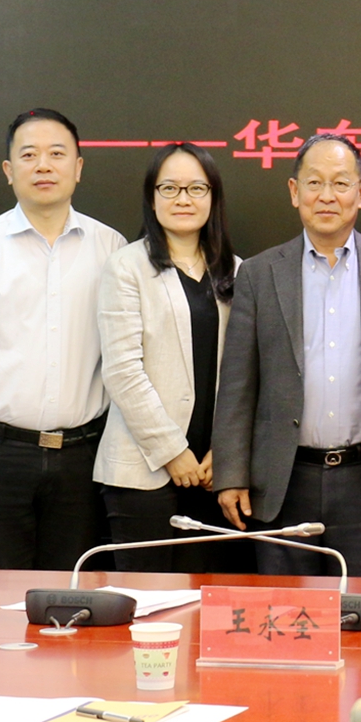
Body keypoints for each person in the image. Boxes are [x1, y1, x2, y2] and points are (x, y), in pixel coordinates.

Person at [0, 108, 126, 569]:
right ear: (8, 169)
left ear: (78, 167)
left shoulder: (111, 248)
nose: (43, 166)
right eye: (29, 155)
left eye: (57, 154)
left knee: (72, 594)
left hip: (84, 457)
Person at [211, 133, 361, 577]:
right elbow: (238, 383)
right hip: (284, 478)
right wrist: (231, 474)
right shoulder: (260, 273)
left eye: (340, 183)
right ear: (294, 191)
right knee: (284, 613)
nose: (326, 196)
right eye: (314, 182)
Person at [94, 145, 247, 573]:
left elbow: (246, 373)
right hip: (143, 470)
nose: (183, 199)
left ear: (213, 197)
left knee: (209, 602)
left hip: (216, 474)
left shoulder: (237, 270)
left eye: (196, 188)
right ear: (152, 196)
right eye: (170, 188)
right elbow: (123, 371)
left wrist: (227, 451)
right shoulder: (126, 267)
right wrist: (171, 451)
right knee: (148, 601)